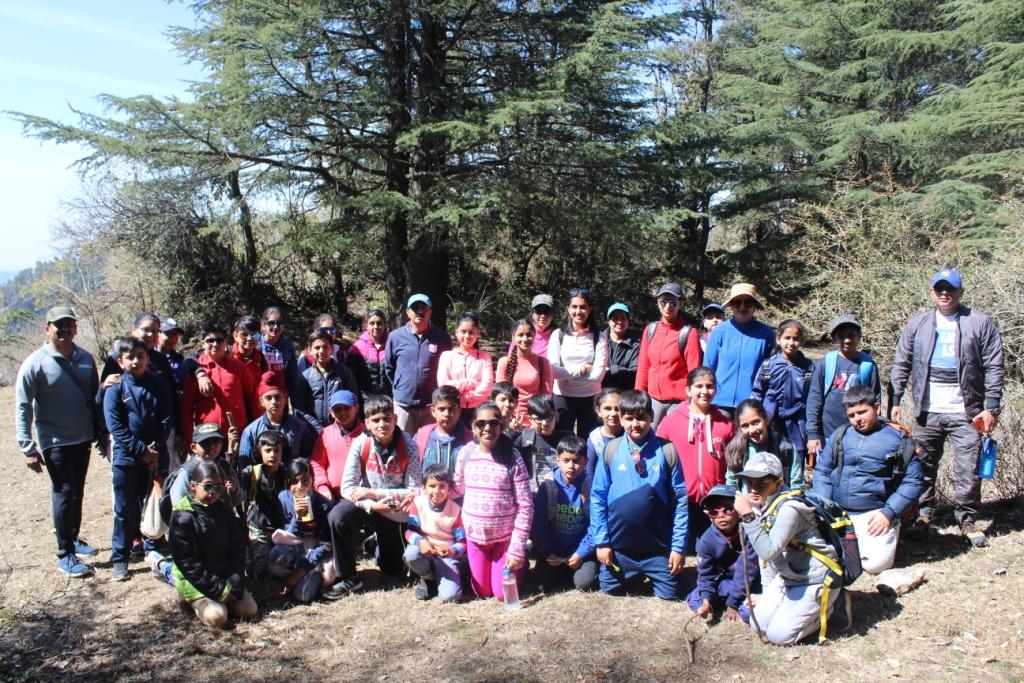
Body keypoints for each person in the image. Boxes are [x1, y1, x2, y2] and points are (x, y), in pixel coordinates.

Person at [890, 268, 1004, 547]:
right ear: (932, 292)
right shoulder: (918, 324)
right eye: (939, 288)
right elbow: (901, 362)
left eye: (950, 288)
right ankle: (924, 515)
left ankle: (966, 519)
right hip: (927, 412)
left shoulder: (979, 322)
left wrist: (991, 407)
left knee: (968, 469)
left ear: (960, 292)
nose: (945, 293)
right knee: (922, 466)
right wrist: (895, 399)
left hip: (967, 411)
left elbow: (994, 365)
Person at [15, 305, 103, 577]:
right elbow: (23, 405)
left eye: (69, 324)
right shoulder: (35, 363)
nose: (64, 329)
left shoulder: (86, 359)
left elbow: (94, 398)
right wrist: (27, 446)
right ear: (47, 329)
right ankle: (65, 554)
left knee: (77, 491)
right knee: (64, 491)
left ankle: (73, 537)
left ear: (75, 327)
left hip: (82, 437)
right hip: (54, 440)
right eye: (59, 325)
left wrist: (100, 431)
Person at [813, 386, 925, 574]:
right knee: (821, 557)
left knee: (874, 565)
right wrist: (825, 507)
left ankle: (887, 531)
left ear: (877, 408)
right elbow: (822, 470)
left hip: (875, 514)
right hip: (839, 512)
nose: (857, 419)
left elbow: (914, 480)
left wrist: (889, 513)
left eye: (862, 412)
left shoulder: (898, 439)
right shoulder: (840, 435)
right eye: (851, 415)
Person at [733, 452, 840, 645]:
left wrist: (748, 516)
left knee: (779, 636)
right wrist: (767, 595)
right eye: (749, 482)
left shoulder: (789, 508)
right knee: (757, 624)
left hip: (814, 580)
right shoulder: (765, 505)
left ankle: (832, 607)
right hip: (789, 577)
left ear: (778, 483)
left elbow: (768, 552)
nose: (754, 489)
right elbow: (767, 561)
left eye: (762, 483)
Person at [589, 390, 687, 600]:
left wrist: (678, 548)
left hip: (657, 548)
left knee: (670, 594)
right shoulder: (611, 450)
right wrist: (602, 543)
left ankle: (650, 569)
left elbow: (680, 502)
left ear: (651, 416)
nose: (635, 424)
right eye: (629, 418)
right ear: (621, 418)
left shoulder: (667, 450)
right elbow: (597, 497)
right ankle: (632, 572)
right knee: (609, 589)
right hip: (620, 548)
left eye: (641, 418)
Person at [324, 395, 422, 599]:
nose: (382, 424)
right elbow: (347, 487)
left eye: (387, 419)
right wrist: (372, 505)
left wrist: (375, 493)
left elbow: (414, 490)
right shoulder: (362, 443)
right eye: (376, 420)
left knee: (392, 569)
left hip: (394, 510)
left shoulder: (409, 445)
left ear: (395, 419)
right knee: (338, 516)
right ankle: (348, 577)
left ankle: (376, 543)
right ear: (367, 423)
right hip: (368, 506)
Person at [103, 337, 174, 582]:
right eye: (130, 357)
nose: (136, 361)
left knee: (155, 503)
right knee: (125, 509)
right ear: (120, 362)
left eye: (140, 356)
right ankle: (120, 558)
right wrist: (141, 450)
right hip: (127, 458)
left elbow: (167, 416)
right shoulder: (115, 388)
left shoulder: (158, 384)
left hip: (156, 456)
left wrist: (155, 448)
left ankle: (153, 547)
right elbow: (115, 426)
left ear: (147, 358)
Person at [453, 402, 534, 602]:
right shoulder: (466, 454)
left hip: (504, 539)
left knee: (500, 594)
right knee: (482, 592)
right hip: (476, 538)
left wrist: (516, 549)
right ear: (473, 425)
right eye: (481, 423)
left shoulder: (512, 457)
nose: (487, 428)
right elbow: (458, 488)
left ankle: (521, 560)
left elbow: (525, 505)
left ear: (502, 425)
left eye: (493, 423)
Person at [168, 461, 257, 629]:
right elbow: (187, 562)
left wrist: (234, 583)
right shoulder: (182, 516)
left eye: (218, 487)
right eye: (208, 486)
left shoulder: (224, 509)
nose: (213, 492)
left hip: (222, 574)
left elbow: (237, 548)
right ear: (193, 486)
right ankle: (188, 599)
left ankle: (223, 601)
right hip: (196, 580)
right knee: (218, 617)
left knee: (249, 610)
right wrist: (218, 589)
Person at [656, 367, 734, 552]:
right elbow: (659, 458)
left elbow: (733, 461)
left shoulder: (725, 424)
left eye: (710, 386)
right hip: (680, 499)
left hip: (712, 501)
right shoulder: (671, 421)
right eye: (699, 386)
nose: (704, 391)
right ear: (688, 390)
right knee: (679, 548)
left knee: (710, 551)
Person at [806, 315, 881, 465]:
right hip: (827, 434)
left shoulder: (868, 365)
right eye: (841, 336)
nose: (847, 340)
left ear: (859, 336)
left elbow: (876, 400)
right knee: (826, 471)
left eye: (851, 335)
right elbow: (814, 399)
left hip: (858, 434)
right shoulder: (826, 363)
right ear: (833, 339)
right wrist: (813, 434)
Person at [531, 435, 598, 592]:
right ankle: (560, 570)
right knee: (542, 586)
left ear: (586, 462)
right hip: (554, 550)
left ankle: (581, 567)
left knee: (584, 584)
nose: (571, 466)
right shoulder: (548, 486)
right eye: (566, 460)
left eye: (576, 461)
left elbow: (595, 525)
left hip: (579, 550)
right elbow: (539, 524)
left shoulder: (590, 487)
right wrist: (547, 551)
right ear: (558, 460)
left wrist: (581, 553)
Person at [752, 320, 813, 487]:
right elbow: (757, 394)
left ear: (801, 341)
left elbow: (812, 398)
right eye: (787, 338)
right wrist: (759, 419)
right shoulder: (768, 365)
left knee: (796, 458)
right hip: (771, 422)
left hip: (797, 424)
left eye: (796, 338)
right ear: (778, 339)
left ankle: (794, 492)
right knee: (770, 460)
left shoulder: (808, 368)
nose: (791, 343)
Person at [180, 322, 260, 450]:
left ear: (225, 342)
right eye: (210, 340)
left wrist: (258, 432)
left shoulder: (239, 367)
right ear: (203, 344)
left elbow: (254, 399)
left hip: (237, 434)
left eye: (219, 340)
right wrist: (189, 440)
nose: (215, 344)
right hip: (207, 438)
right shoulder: (196, 372)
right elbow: (186, 408)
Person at [686, 484, 758, 622]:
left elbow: (747, 571)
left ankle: (734, 600)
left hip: (749, 582)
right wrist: (706, 599)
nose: (721, 515)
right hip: (724, 582)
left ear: (738, 510)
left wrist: (732, 603)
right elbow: (705, 574)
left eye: (728, 509)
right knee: (697, 600)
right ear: (709, 516)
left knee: (748, 613)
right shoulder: (706, 540)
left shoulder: (749, 533)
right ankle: (717, 600)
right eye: (714, 512)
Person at [269, 459, 336, 603]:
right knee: (276, 556)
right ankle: (300, 574)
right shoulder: (283, 498)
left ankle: (311, 575)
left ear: (312, 480)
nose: (300, 487)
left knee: (303, 595)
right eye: (294, 481)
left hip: (317, 550)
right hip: (297, 545)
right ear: (288, 482)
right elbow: (289, 535)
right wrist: (298, 517)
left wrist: (301, 571)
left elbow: (325, 544)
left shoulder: (323, 505)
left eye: (305, 481)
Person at [384, 293, 452, 433]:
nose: (420, 311)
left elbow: (448, 367)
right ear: (408, 312)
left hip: (432, 404)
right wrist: (401, 385)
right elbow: (389, 367)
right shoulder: (395, 337)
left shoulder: (442, 338)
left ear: (430, 312)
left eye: (424, 308)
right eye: (415, 308)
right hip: (404, 404)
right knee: (404, 443)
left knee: (430, 442)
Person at [635, 283, 702, 427]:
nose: (667, 306)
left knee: (674, 438)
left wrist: (692, 402)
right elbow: (643, 367)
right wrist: (638, 396)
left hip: (679, 402)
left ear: (680, 304)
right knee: (648, 437)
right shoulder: (650, 330)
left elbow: (694, 373)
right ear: (658, 303)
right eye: (663, 302)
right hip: (653, 400)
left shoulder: (688, 333)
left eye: (673, 302)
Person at [703, 283, 776, 413]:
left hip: (751, 405)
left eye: (748, 303)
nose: (742, 307)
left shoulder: (767, 335)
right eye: (737, 303)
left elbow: (769, 372)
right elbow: (708, 369)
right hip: (719, 404)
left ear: (754, 307)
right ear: (731, 306)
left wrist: (764, 401)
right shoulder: (719, 332)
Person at [548, 288, 608, 436]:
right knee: (562, 441)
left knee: (589, 441)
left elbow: (597, 377)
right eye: (574, 307)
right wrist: (583, 370)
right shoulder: (558, 335)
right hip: (562, 397)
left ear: (590, 309)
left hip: (590, 398)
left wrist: (566, 375)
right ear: (568, 308)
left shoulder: (599, 337)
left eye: (583, 307)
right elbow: (553, 371)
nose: (578, 311)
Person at [404, 463, 467, 602]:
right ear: (423, 487)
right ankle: (428, 578)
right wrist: (421, 542)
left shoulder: (455, 510)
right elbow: (409, 531)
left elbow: (462, 542)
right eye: (432, 486)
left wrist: (451, 551)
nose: (437, 491)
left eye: (442, 486)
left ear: (449, 489)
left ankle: (443, 577)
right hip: (425, 551)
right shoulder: (418, 503)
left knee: (451, 597)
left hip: (445, 555)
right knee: (412, 554)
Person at [238, 371, 316, 467]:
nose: (274, 402)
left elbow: (309, 459)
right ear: (261, 401)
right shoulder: (251, 431)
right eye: (269, 398)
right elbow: (245, 466)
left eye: (278, 397)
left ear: (285, 398)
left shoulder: (300, 427)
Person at [239, 430, 288, 580]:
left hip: (282, 529)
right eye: (268, 450)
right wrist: (230, 452)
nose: (273, 455)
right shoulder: (251, 474)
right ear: (259, 452)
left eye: (277, 450)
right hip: (258, 529)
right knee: (257, 572)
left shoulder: (288, 473)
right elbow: (232, 482)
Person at [293, 329, 360, 433]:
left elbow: (353, 400)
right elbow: (300, 407)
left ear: (332, 349)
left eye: (325, 347)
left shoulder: (344, 373)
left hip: (342, 429)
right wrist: (318, 428)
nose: (321, 351)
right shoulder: (305, 377)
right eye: (317, 348)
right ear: (310, 350)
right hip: (313, 431)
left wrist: (345, 423)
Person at [724, 399, 800, 489]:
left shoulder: (785, 447)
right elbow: (731, 485)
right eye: (745, 426)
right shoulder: (737, 450)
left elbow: (797, 485)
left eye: (756, 422)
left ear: (766, 419)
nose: (752, 430)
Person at [496, 318, 553, 430]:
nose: (525, 339)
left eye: (529, 335)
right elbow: (500, 396)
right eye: (520, 335)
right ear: (513, 337)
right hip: (509, 421)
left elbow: (546, 396)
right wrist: (510, 420)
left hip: (535, 422)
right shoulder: (505, 362)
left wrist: (536, 421)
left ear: (535, 336)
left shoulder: (543, 363)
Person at [310, 390, 365, 503]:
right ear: (332, 413)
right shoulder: (325, 434)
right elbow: (317, 463)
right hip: (334, 497)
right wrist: (322, 487)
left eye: (346, 407)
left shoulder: (368, 432)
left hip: (363, 494)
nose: (342, 412)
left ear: (356, 408)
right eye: (337, 409)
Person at [436, 312, 494, 421]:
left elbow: (487, 386)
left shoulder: (484, 357)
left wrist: (465, 397)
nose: (467, 336)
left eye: (471, 332)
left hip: (479, 410)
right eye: (463, 332)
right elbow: (443, 384)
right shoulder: (447, 356)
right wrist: (470, 383)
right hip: (453, 409)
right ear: (456, 332)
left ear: (478, 333)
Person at [515, 394, 572, 492]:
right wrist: (512, 432)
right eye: (538, 419)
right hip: (532, 494)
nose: (545, 423)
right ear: (530, 419)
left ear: (555, 415)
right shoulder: (524, 438)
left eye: (549, 417)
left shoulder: (566, 438)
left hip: (561, 493)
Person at [414, 385, 473, 475]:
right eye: (441, 409)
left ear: (459, 411)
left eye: (451, 409)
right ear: (433, 411)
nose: (446, 414)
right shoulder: (421, 437)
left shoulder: (470, 440)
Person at [345, 309, 391, 401]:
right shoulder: (357, 348)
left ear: (384, 325)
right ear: (366, 325)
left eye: (379, 323)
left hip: (389, 398)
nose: (376, 326)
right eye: (372, 323)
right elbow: (350, 377)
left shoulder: (392, 344)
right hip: (365, 400)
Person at [257, 306, 300, 396]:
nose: (276, 327)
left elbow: (293, 376)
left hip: (281, 396)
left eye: (280, 323)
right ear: (263, 325)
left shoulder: (288, 346)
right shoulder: (256, 345)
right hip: (260, 396)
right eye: (271, 323)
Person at [585, 388, 622, 482]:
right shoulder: (595, 439)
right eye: (608, 408)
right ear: (598, 411)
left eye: (617, 409)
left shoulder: (630, 435)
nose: (613, 413)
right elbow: (590, 473)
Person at [602, 303, 640, 391]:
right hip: (600, 393)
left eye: (623, 318)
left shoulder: (636, 345)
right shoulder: (599, 341)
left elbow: (635, 370)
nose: (619, 322)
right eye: (615, 318)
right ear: (608, 321)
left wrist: (611, 370)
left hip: (624, 394)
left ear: (628, 321)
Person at [230, 316, 269, 387]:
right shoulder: (226, 354)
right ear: (235, 336)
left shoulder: (262, 359)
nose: (250, 338)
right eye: (244, 334)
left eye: (255, 335)